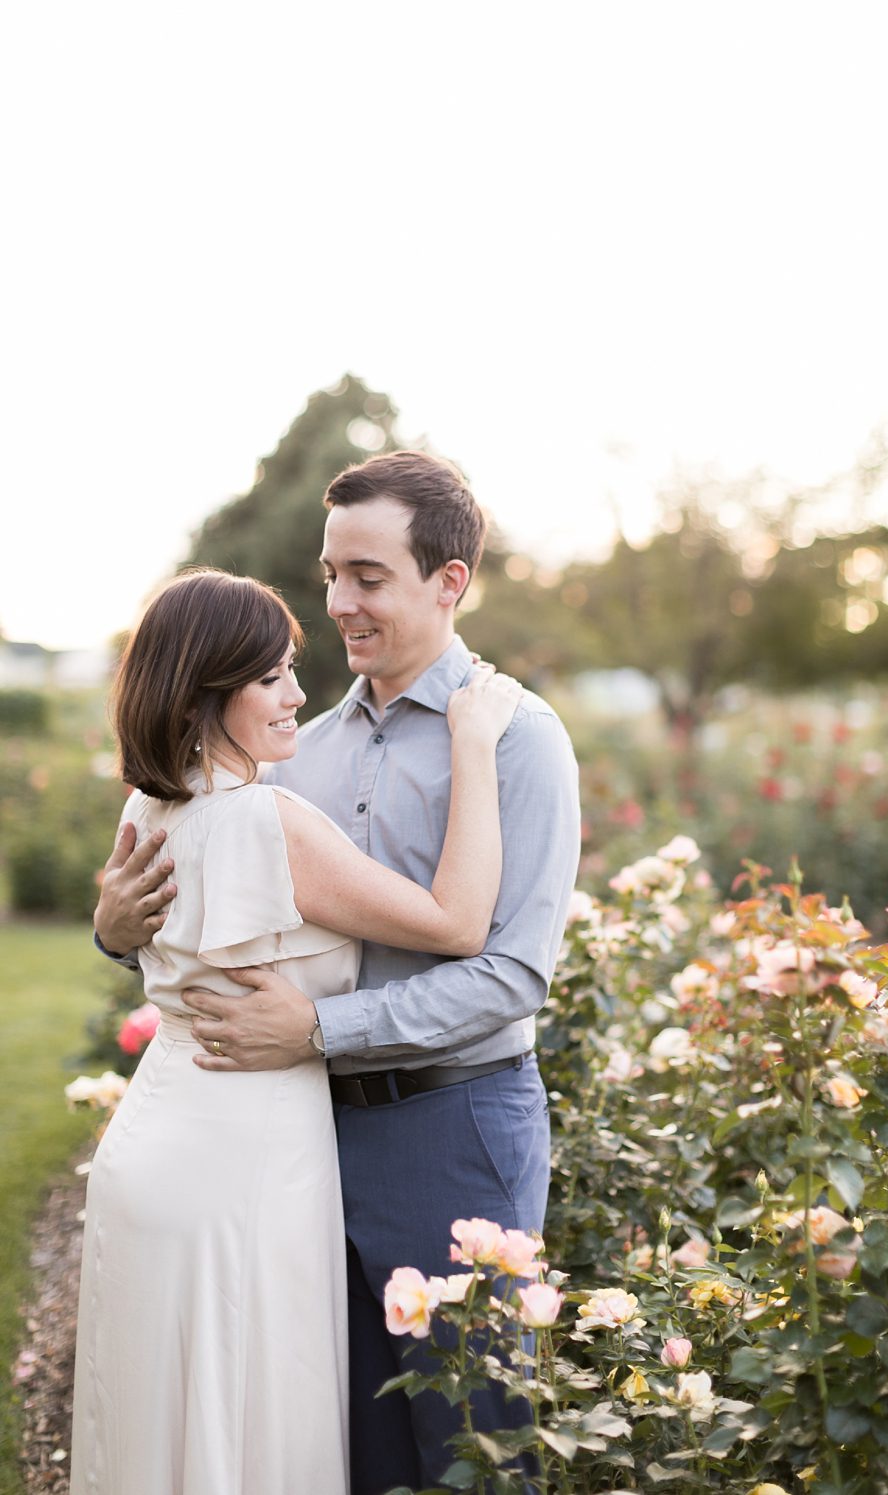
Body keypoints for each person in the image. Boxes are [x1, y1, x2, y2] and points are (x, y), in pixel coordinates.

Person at [94, 451, 582, 1495]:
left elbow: (507, 975)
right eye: (330, 573)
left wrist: (316, 1031)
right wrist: (115, 928)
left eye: (367, 576)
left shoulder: (518, 743)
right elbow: (211, 895)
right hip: (300, 1145)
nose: (338, 604)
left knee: (472, 1449)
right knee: (334, 1450)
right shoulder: (289, 752)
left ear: (448, 581)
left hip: (453, 1130)